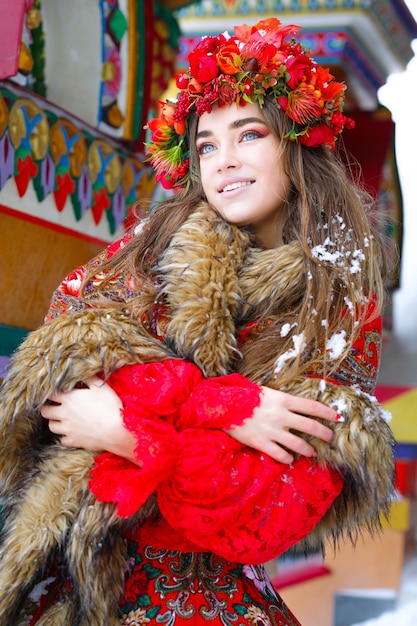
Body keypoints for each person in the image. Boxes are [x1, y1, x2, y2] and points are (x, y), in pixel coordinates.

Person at [0, 17, 395, 626]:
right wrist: (231, 408)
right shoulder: (144, 256)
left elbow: (263, 514)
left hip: (209, 600)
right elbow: (60, 381)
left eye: (249, 134)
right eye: (206, 144)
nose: (224, 161)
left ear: (296, 141)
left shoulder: (337, 308)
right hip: (76, 578)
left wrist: (128, 434)